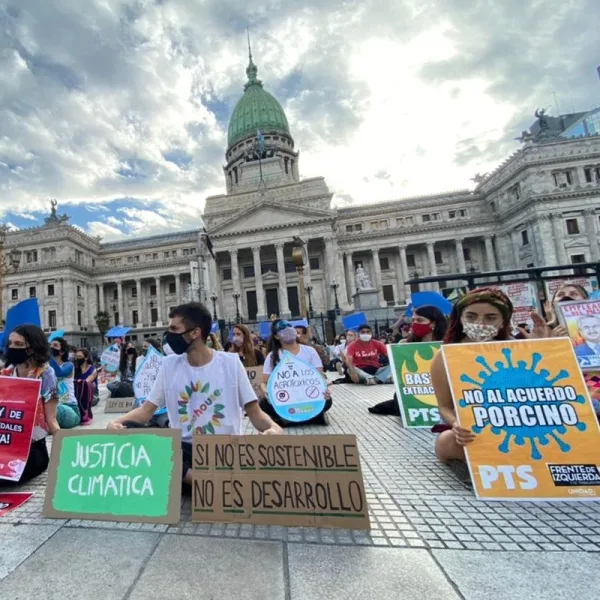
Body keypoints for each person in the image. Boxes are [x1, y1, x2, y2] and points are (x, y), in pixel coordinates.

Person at [107, 302, 282, 490]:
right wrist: (116, 423)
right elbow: (145, 411)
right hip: (184, 454)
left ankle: (195, 481)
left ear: (194, 333)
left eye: (174, 329)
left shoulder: (230, 364)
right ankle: (203, 482)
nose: (168, 336)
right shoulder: (169, 365)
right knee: (136, 431)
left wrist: (274, 428)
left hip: (224, 451)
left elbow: (254, 413)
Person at [431, 288, 513, 470]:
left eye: (491, 318)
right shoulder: (443, 356)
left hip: (518, 427)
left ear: (502, 322)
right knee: (446, 441)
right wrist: (456, 424)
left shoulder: (520, 350)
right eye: (471, 317)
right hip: (472, 430)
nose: (480, 323)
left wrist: (548, 347)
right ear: (460, 319)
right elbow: (444, 406)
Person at [1, 325, 60, 485]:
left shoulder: (45, 374)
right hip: (5, 445)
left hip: (32, 450)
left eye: (19, 344)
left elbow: (51, 419)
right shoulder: (5, 374)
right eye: (10, 343)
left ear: (33, 348)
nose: (12, 347)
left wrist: (66, 449)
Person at [260, 319, 332, 426]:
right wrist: (267, 393)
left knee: (327, 401)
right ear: (276, 336)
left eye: (289, 326)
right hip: (286, 398)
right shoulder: (272, 356)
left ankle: (286, 420)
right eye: (282, 328)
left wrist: (326, 389)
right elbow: (264, 382)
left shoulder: (309, 351)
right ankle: (314, 417)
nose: (288, 329)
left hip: (308, 396)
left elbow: (320, 376)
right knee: (263, 404)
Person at [49, 337, 81, 428]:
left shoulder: (68, 365)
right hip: (52, 405)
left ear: (62, 352)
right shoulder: (47, 368)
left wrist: (48, 355)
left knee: (56, 410)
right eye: (50, 345)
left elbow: (60, 373)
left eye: (55, 345)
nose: (51, 347)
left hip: (69, 408)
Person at [73, 348, 97, 423]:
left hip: (91, 395)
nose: (77, 359)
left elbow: (88, 380)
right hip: (76, 394)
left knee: (86, 384)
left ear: (86, 358)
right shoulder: (75, 369)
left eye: (80, 356)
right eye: (76, 357)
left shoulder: (93, 369)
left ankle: (86, 412)